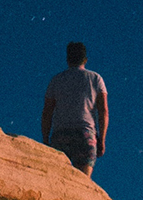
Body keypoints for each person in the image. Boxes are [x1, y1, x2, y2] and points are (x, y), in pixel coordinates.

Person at [41, 41, 108, 178]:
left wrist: (45, 139)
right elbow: (103, 111)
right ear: (85, 59)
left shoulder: (56, 80)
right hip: (85, 135)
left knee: (58, 181)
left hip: (60, 135)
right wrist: (102, 139)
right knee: (83, 182)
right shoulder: (96, 79)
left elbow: (47, 112)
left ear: (67, 59)